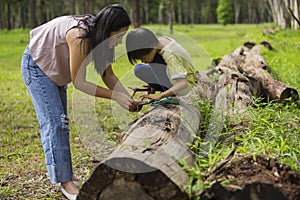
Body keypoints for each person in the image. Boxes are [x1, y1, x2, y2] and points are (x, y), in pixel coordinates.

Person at [21, 4, 139, 200]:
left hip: (56, 70)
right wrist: (115, 97)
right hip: (38, 66)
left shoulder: (101, 41)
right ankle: (65, 182)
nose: (119, 43)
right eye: (118, 37)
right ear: (107, 30)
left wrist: (126, 97)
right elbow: (80, 83)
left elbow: (108, 74)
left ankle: (64, 175)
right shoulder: (79, 36)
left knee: (62, 124)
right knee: (55, 123)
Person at [126, 27, 196, 101]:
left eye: (144, 58)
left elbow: (182, 83)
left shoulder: (170, 54)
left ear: (152, 46)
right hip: (173, 75)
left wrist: (161, 96)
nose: (143, 61)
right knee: (139, 69)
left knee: (155, 60)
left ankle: (171, 94)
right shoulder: (160, 42)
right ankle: (163, 88)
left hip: (185, 86)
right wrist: (154, 85)